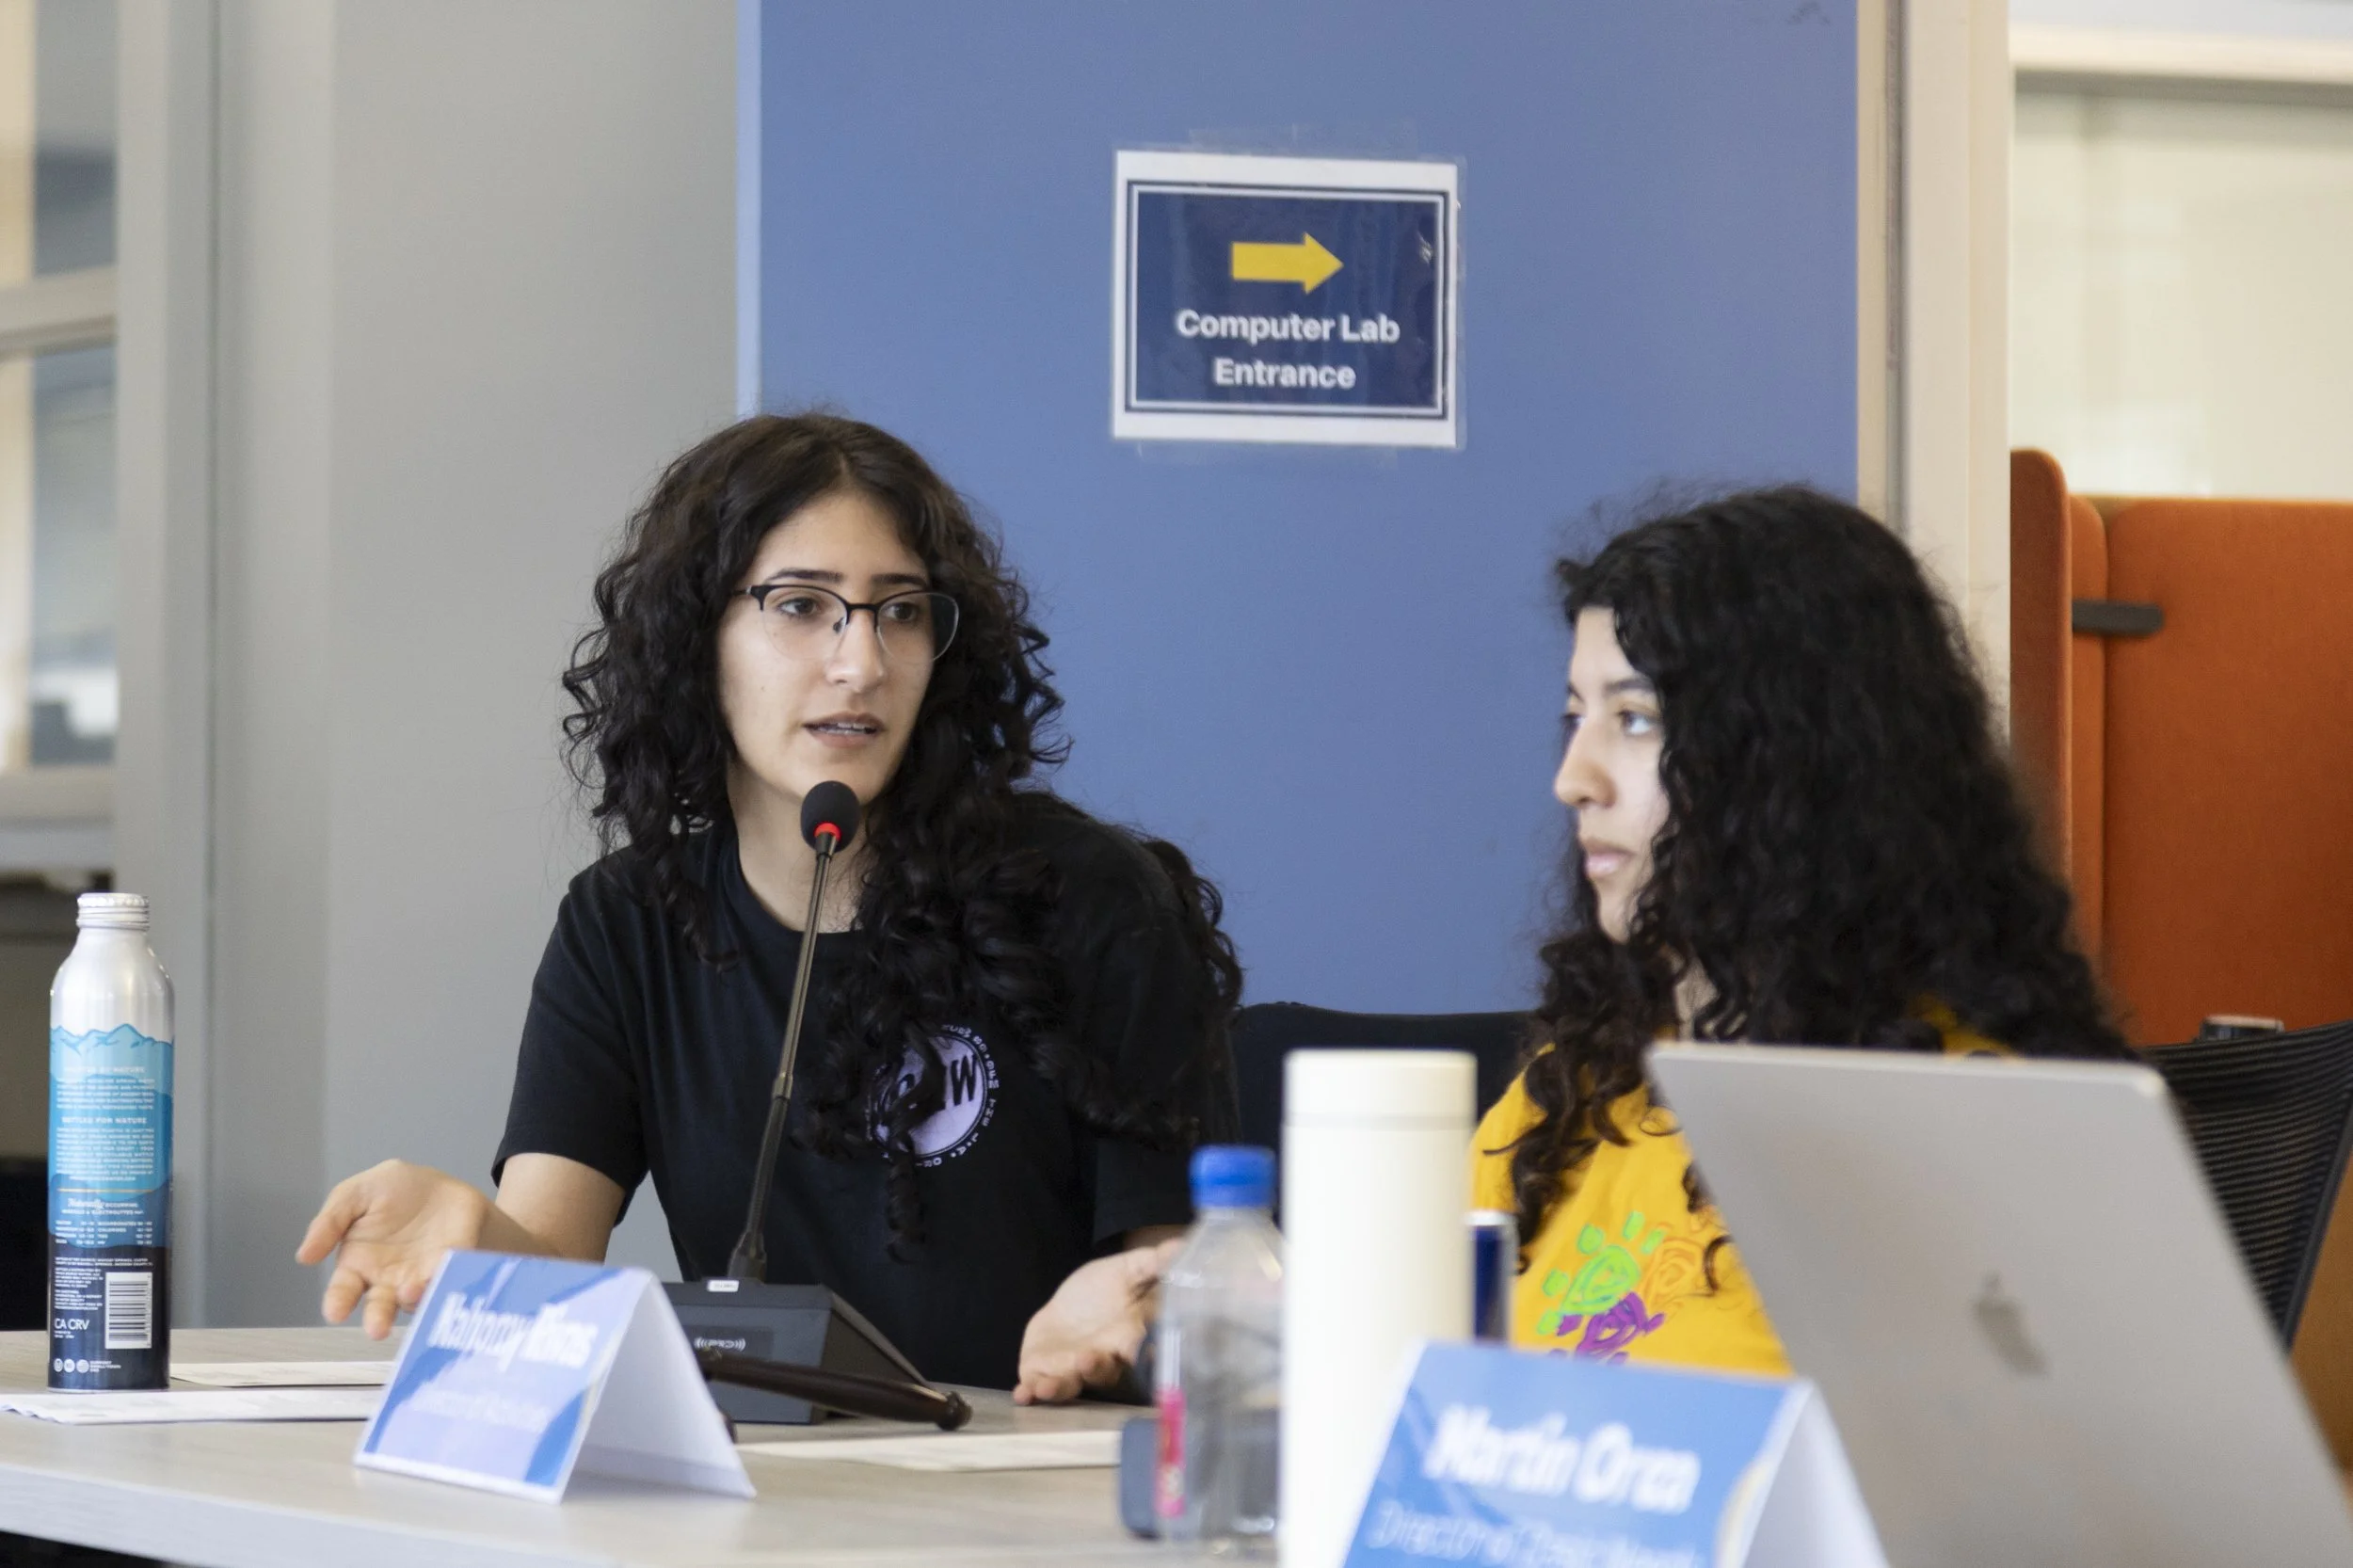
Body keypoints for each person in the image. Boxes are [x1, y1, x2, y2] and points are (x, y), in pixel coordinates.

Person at [297, 413, 1241, 1400]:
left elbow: (1186, 1285)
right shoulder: (627, 922)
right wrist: (473, 1247)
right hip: (761, 1469)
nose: (862, 662)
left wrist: (1136, 1312)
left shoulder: (1089, 899)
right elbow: (550, 1265)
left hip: (1034, 1463)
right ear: (695, 638)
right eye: (800, 605)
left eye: (901, 611)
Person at [1472, 487, 2127, 1374]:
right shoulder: (1571, 1093)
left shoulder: (1968, 1130)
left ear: (1792, 760)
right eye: (1574, 716)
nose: (1574, 778)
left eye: (1635, 719)